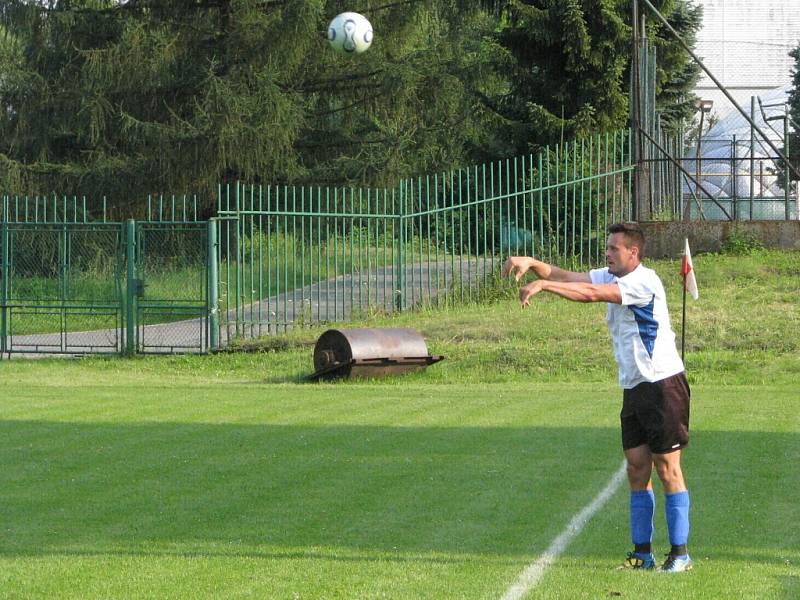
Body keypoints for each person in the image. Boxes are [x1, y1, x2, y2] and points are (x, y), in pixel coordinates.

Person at [502, 222, 693, 573]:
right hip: (635, 387)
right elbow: (573, 277)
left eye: (614, 248)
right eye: (607, 247)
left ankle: (680, 554)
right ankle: (643, 554)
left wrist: (543, 285)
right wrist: (533, 262)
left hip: (662, 385)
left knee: (668, 469)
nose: (607, 253)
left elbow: (591, 294)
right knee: (637, 468)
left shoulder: (643, 281)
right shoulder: (611, 274)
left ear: (633, 252)